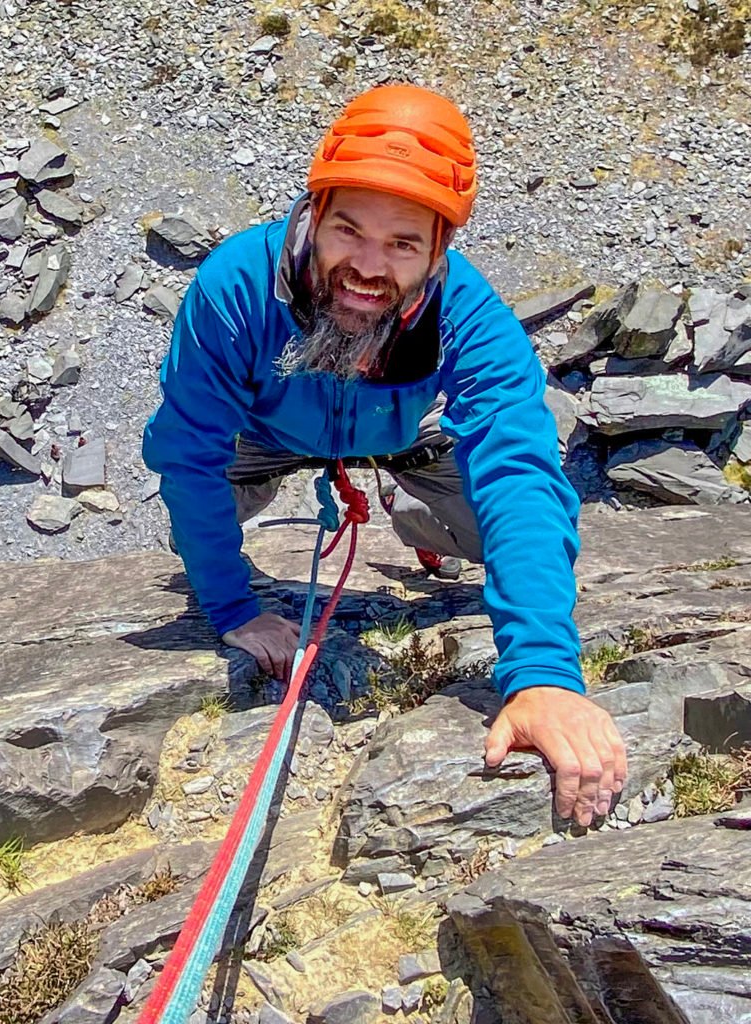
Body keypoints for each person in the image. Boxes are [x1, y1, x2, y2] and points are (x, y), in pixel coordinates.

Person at [143, 84, 627, 827]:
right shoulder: (236, 286)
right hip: (264, 434)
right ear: (312, 212)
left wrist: (544, 677)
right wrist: (233, 606)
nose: (368, 268)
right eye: (349, 230)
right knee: (196, 523)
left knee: (478, 534)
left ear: (440, 250)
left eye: (403, 243)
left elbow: (522, 472)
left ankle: (411, 514)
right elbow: (188, 453)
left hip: (404, 434)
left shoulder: (467, 314)